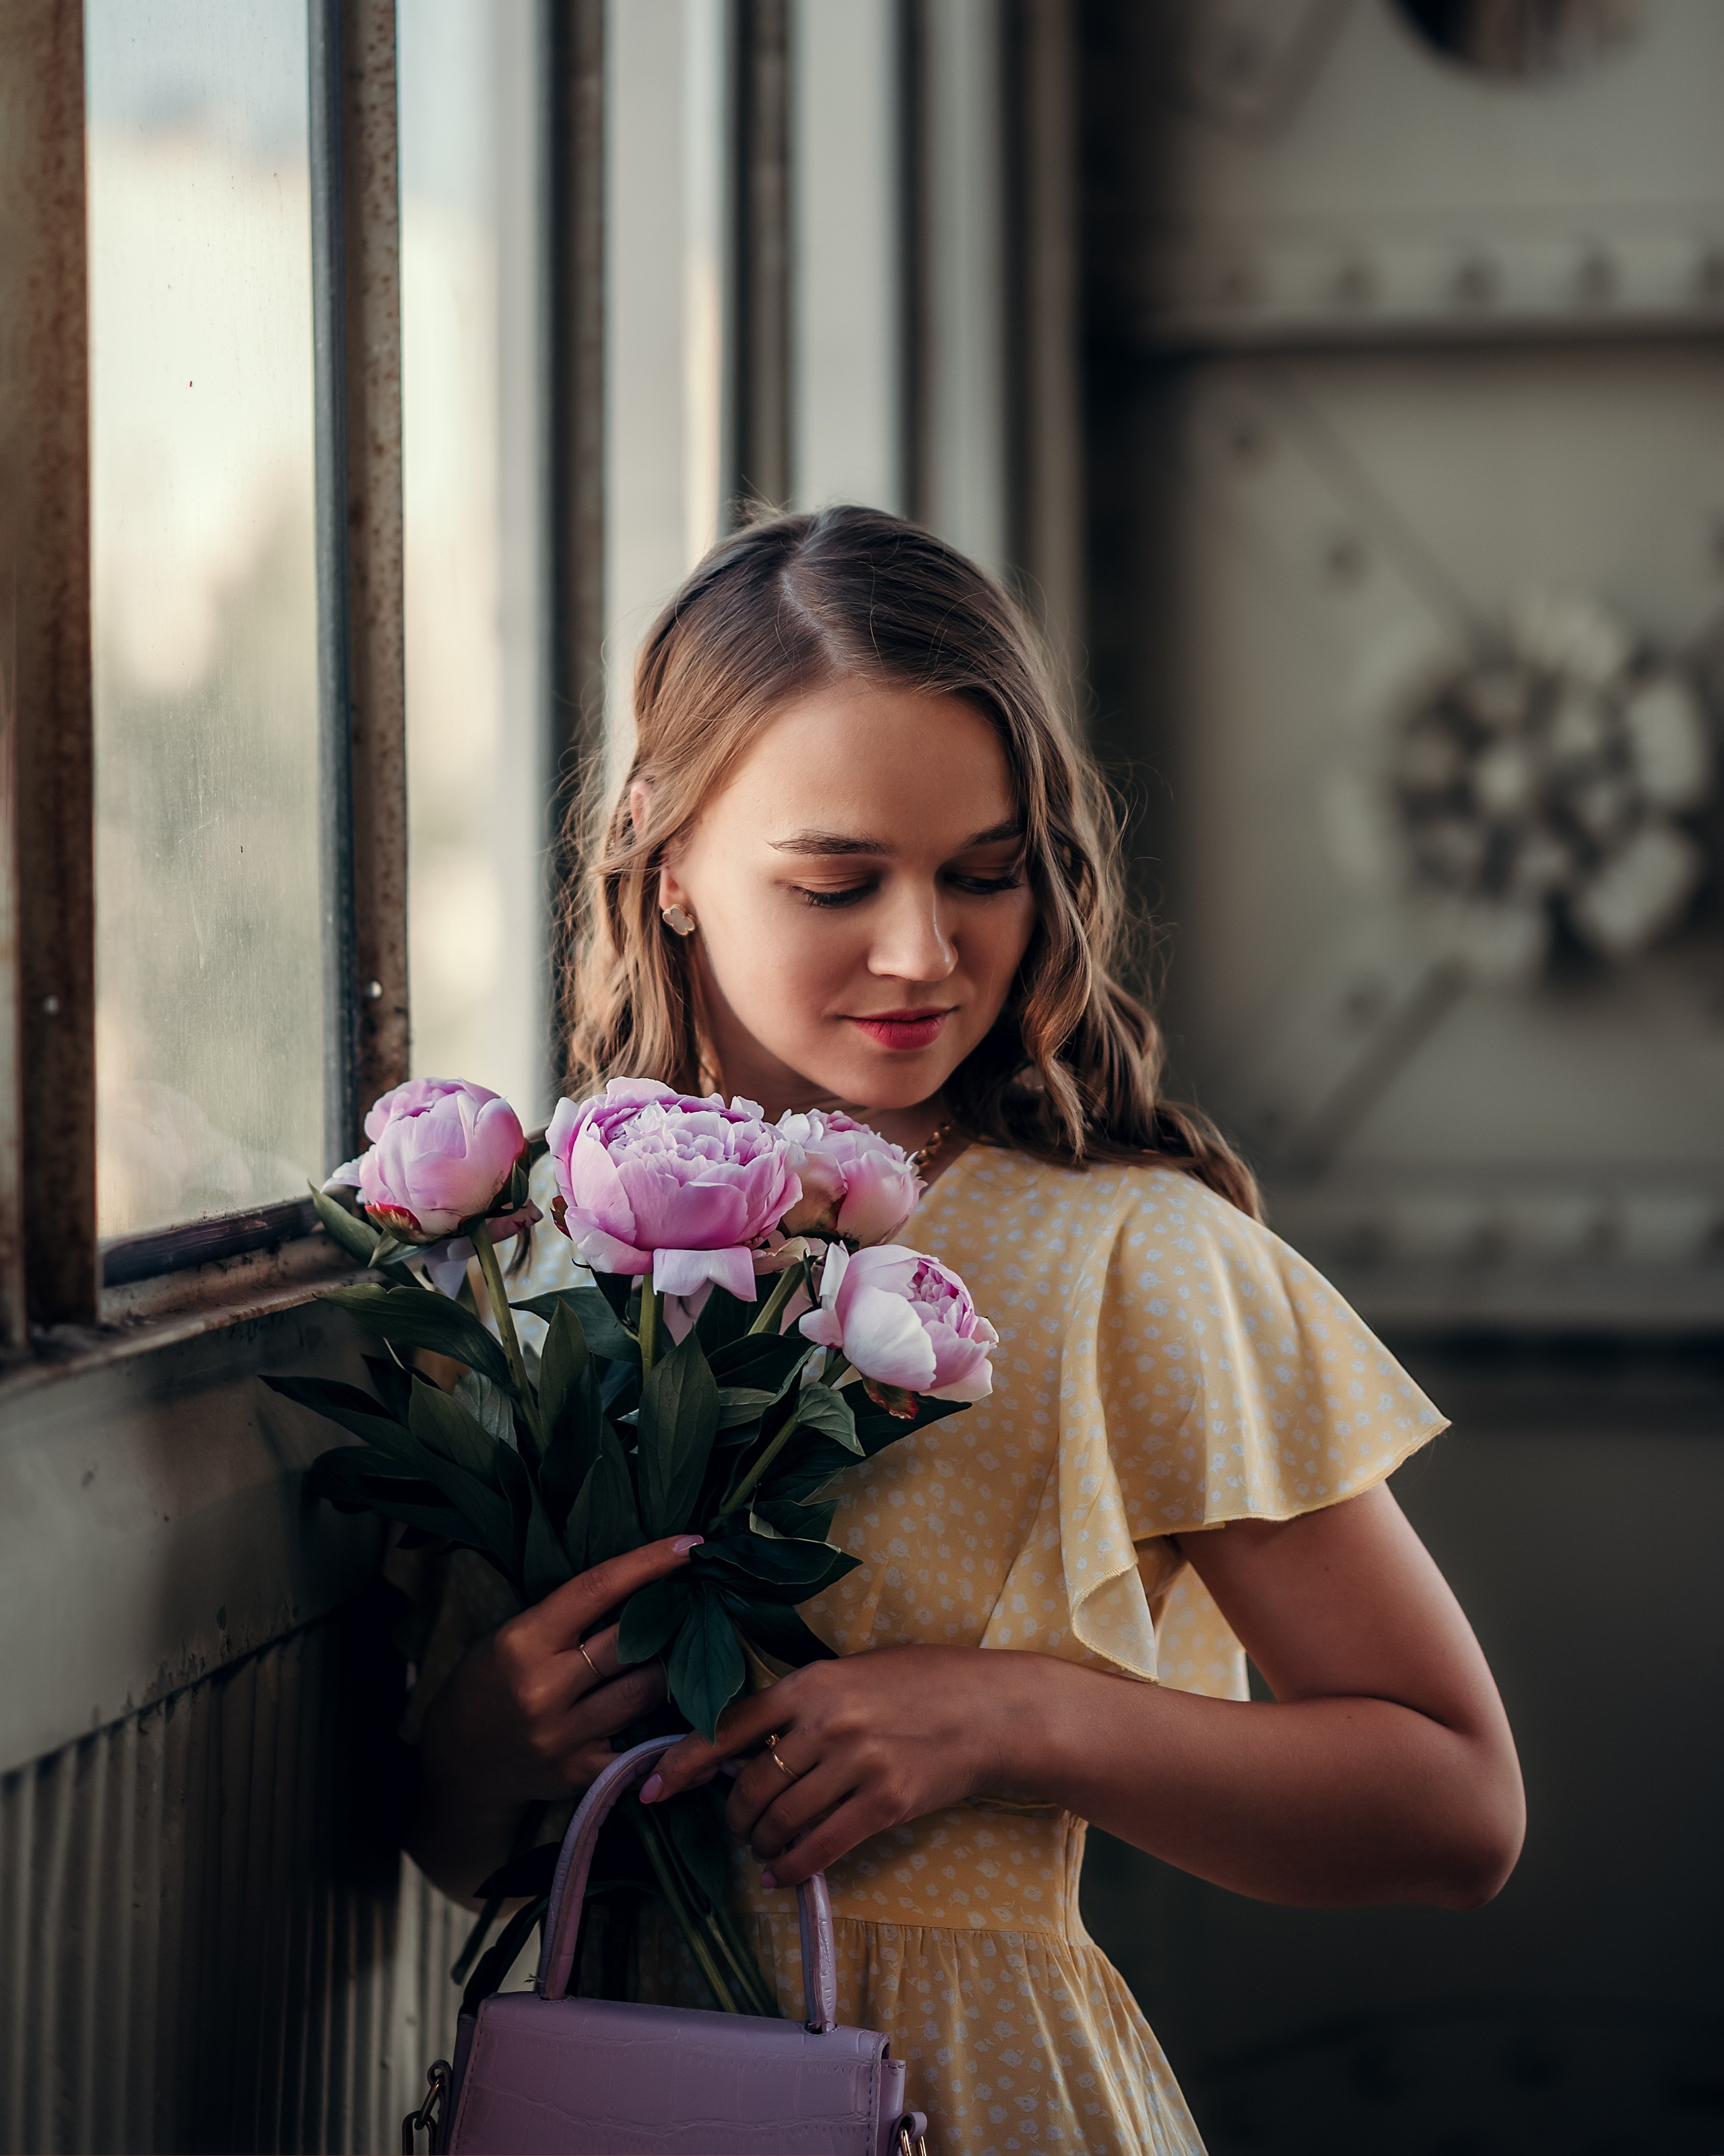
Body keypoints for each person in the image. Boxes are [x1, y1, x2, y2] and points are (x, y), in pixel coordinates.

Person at [403, 505, 1524, 2156]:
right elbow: (465, 1853)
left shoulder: (1132, 1258)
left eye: (985, 874)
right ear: (666, 859)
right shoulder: (525, 1261)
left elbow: (1456, 1805)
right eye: (836, 880)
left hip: (990, 2101)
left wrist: (1014, 1715)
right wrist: (482, 1738)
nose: (924, 951)